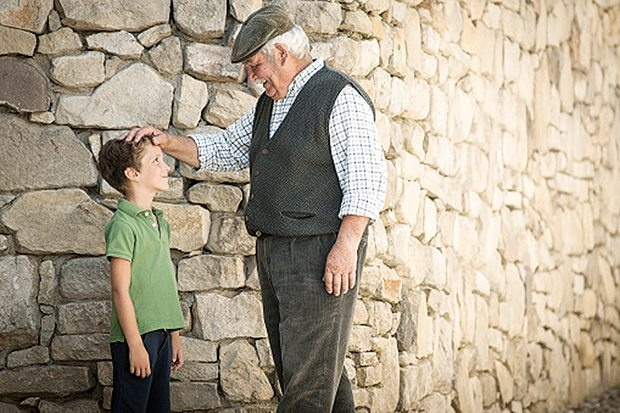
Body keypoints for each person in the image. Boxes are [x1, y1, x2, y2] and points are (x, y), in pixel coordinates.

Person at [121, 5, 386, 412]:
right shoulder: (271, 103)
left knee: (308, 380)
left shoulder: (339, 95)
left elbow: (366, 179)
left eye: (254, 65)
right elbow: (226, 148)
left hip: (318, 251)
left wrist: (345, 246)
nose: (251, 76)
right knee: (309, 369)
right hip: (276, 251)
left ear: (281, 52)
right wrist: (166, 142)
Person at [98, 137, 186, 413]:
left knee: (159, 407)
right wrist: (135, 345)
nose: (167, 167)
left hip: (161, 335)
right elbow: (120, 290)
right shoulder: (123, 225)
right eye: (156, 161)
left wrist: (174, 334)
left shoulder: (159, 220)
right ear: (133, 174)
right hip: (136, 337)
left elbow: (163, 280)